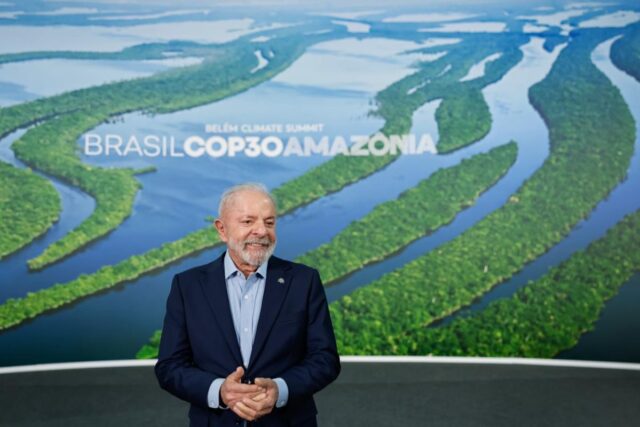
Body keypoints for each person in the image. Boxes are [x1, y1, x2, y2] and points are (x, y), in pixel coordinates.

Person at [155, 183, 341, 426]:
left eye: (269, 222)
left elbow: (325, 359)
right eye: (248, 221)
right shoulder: (187, 286)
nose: (261, 231)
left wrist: (281, 389)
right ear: (222, 229)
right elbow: (170, 366)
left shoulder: (304, 281)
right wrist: (219, 391)